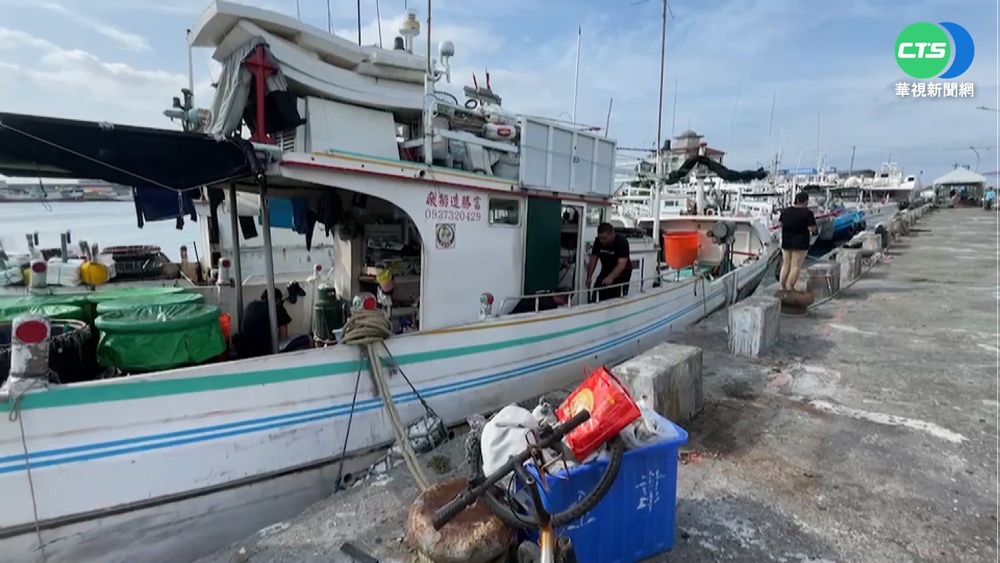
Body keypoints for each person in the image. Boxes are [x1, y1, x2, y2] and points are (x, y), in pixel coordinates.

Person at [778, 191, 818, 293]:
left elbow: (780, 224)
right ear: (805, 201)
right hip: (800, 242)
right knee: (796, 265)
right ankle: (791, 286)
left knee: (786, 264)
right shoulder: (808, 213)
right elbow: (811, 228)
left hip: (786, 240)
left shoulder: (785, 211)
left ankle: (782, 286)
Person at [238, 288, 292, 358]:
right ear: (278, 300)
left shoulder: (250, 306)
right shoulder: (278, 309)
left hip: (244, 349)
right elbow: (284, 338)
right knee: (304, 340)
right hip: (263, 351)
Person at [586, 223, 632, 302]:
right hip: (606, 269)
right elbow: (594, 258)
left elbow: (622, 264)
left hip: (622, 273)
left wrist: (611, 277)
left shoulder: (621, 242)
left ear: (612, 234)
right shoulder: (597, 242)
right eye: (600, 238)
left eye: (604, 238)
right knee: (597, 292)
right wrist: (589, 276)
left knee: (615, 297)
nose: (602, 241)